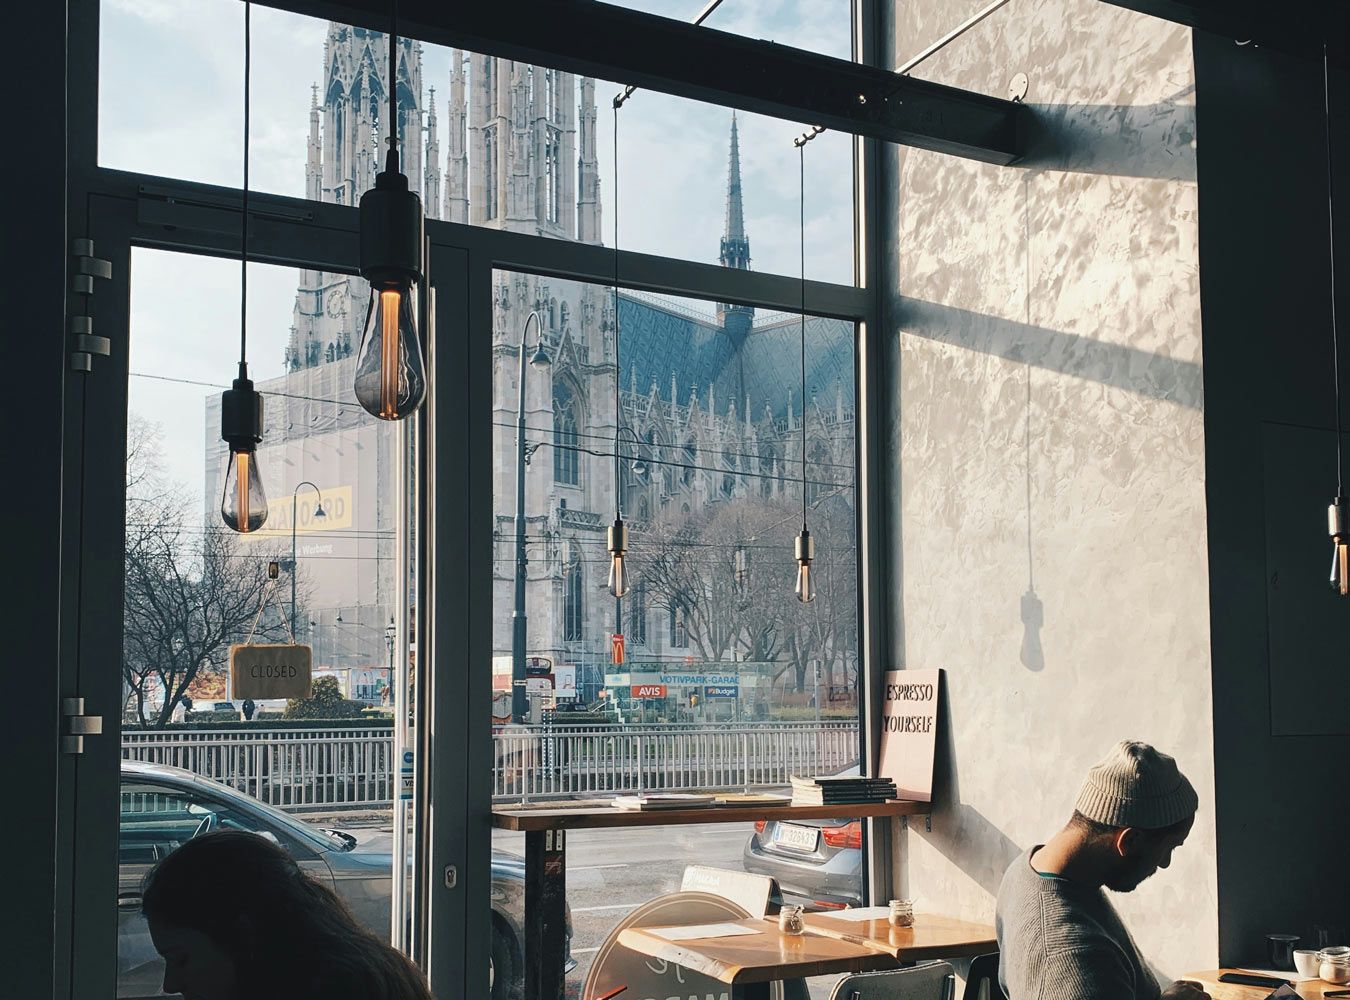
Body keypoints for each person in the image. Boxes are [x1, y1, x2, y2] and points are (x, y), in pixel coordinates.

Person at [996, 740, 1210, 1000]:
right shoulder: (1072, 959)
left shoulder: (1026, 869)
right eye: (1169, 848)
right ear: (1128, 841)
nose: (1164, 863)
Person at [141, 830, 432, 1000]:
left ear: (242, 933)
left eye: (181, 959)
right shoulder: (367, 970)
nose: (171, 985)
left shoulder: (331, 989)